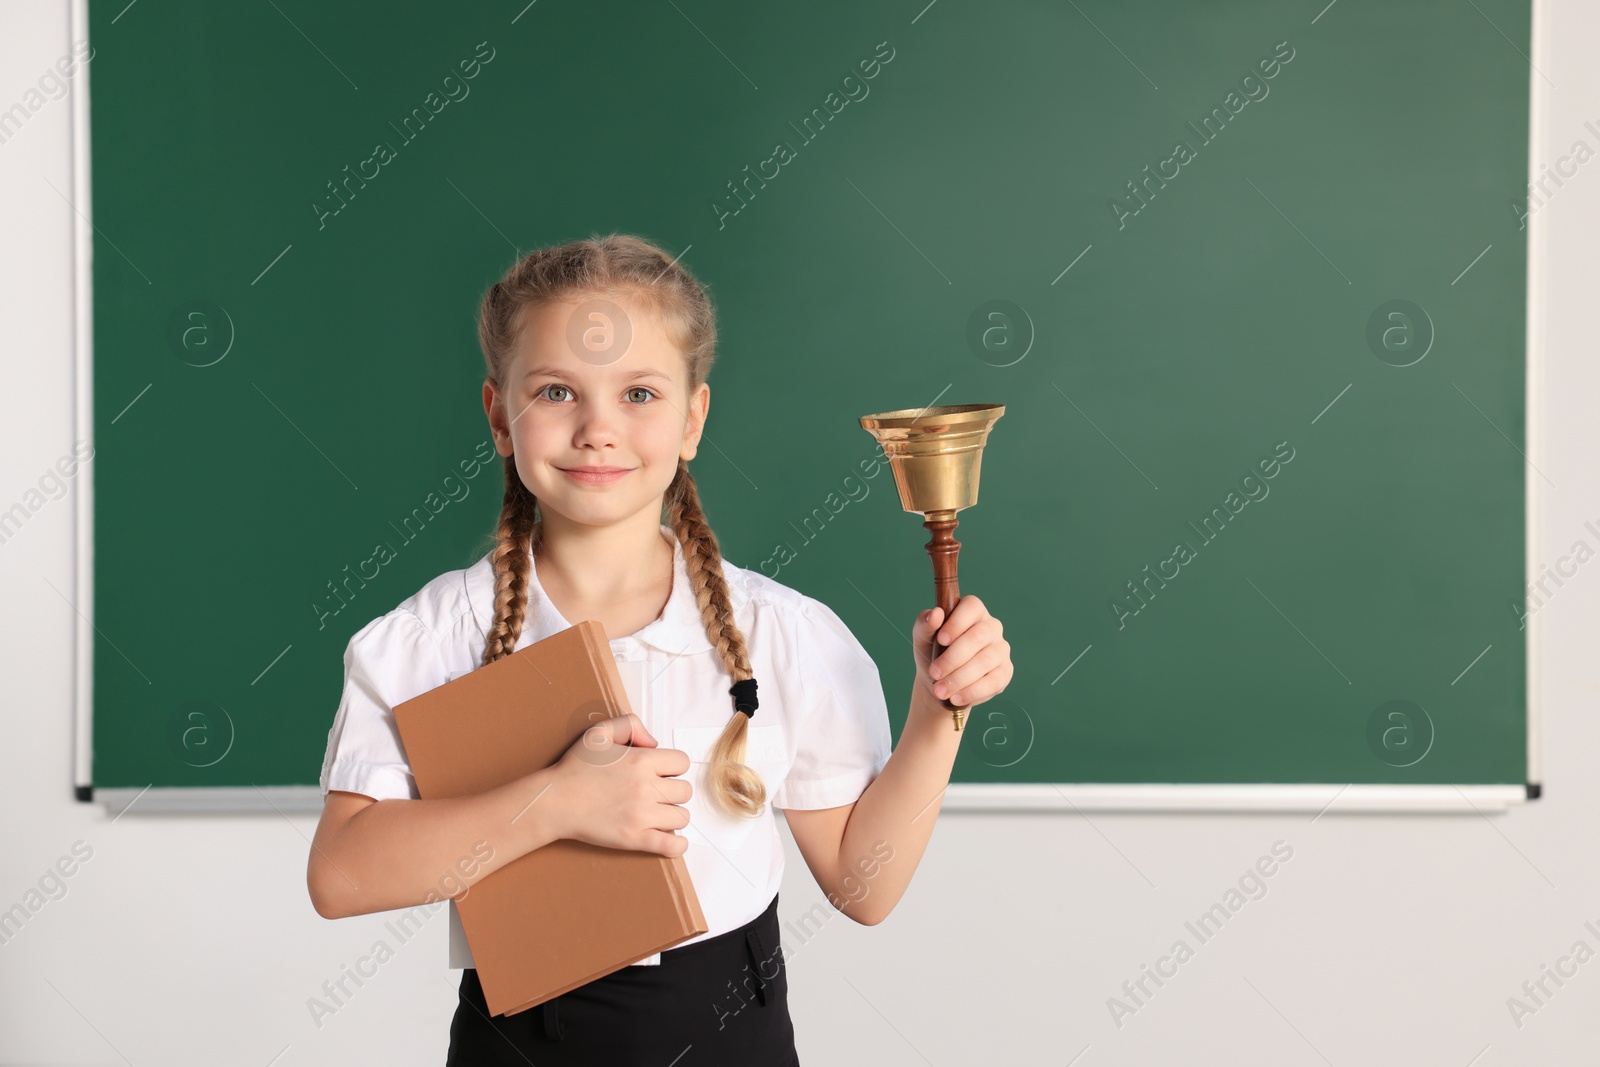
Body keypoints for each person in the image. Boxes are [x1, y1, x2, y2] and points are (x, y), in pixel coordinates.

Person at [306, 233, 1014, 1064]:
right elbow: (342, 875)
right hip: (521, 1039)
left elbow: (864, 884)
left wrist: (938, 713)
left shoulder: (782, 634)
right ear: (501, 415)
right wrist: (557, 803)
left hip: (728, 1031)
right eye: (558, 391)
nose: (598, 428)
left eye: (639, 392)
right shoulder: (429, 639)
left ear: (692, 418)